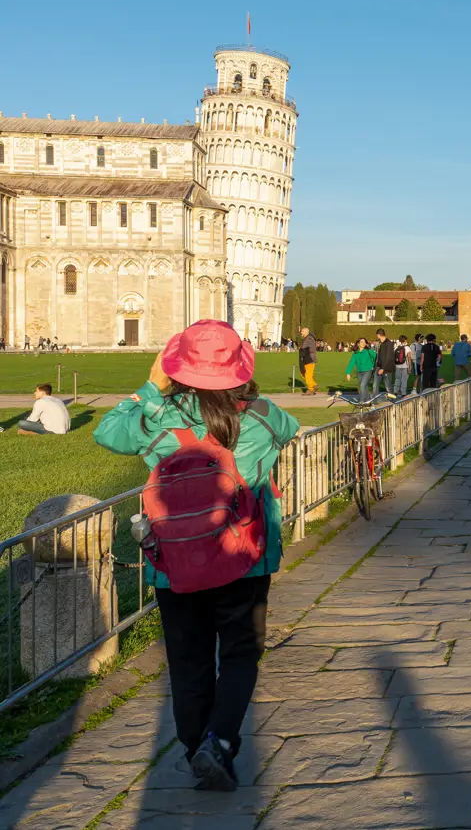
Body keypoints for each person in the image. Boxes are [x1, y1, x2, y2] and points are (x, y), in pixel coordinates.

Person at [94, 321, 299, 791]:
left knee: (188, 659)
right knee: (241, 651)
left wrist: (150, 388)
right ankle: (221, 740)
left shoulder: (156, 417)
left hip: (175, 561)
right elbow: (286, 429)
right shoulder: (264, 416)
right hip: (245, 557)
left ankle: (194, 747)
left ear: (177, 368)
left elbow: (108, 432)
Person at [372, 329, 397, 398]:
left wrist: (383, 368)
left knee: (388, 386)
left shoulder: (389, 343)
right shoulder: (382, 343)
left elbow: (388, 357)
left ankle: (392, 401)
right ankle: (374, 401)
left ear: (378, 335)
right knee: (375, 385)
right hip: (379, 367)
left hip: (386, 368)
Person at [297, 326, 318, 395]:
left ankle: (310, 389)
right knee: (304, 373)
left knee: (307, 374)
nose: (301, 333)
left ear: (306, 332)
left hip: (310, 358)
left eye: (302, 331)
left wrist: (301, 350)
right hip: (307, 358)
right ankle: (314, 385)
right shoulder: (308, 338)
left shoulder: (309, 338)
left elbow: (304, 348)